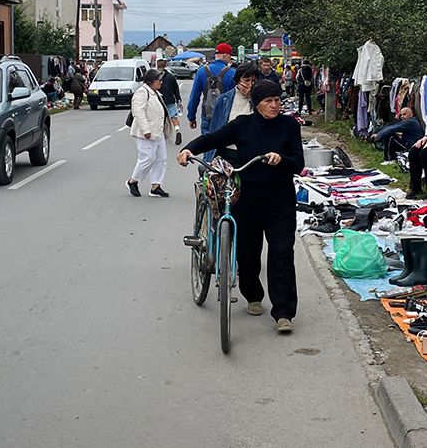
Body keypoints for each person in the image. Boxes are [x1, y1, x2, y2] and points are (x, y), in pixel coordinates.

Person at [177, 80, 304, 333]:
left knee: (281, 253)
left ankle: (283, 312)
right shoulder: (242, 125)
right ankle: (253, 296)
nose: (275, 105)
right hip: (247, 199)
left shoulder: (289, 126)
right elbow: (212, 138)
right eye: (269, 101)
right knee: (248, 251)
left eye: (278, 100)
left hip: (280, 201)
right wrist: (188, 150)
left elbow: (298, 162)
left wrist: (282, 159)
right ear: (256, 103)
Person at [126, 69, 172, 198]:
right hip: (145, 133)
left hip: (158, 131)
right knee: (147, 158)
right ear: (151, 81)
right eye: (159, 80)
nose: (161, 82)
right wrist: (146, 129)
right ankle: (133, 181)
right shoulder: (142, 92)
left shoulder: (155, 93)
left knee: (161, 159)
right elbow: (138, 112)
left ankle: (156, 186)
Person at [206, 62, 259, 163]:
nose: (250, 84)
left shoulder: (260, 99)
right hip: (228, 152)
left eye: (254, 81)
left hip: (251, 153)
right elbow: (215, 129)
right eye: (247, 80)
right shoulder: (223, 100)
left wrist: (253, 97)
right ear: (238, 81)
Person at [186, 43, 237, 133]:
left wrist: (191, 117)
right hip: (225, 117)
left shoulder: (201, 71)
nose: (230, 59)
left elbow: (194, 97)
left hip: (208, 115)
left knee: (207, 144)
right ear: (225, 55)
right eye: (230, 56)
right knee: (222, 144)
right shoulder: (232, 73)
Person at [156, 59, 184, 146]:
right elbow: (176, 89)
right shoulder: (171, 76)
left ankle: (162, 136)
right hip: (170, 100)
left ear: (157, 66)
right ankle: (177, 130)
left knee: (160, 118)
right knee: (173, 117)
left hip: (159, 100)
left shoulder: (156, 77)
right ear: (165, 65)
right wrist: (178, 99)